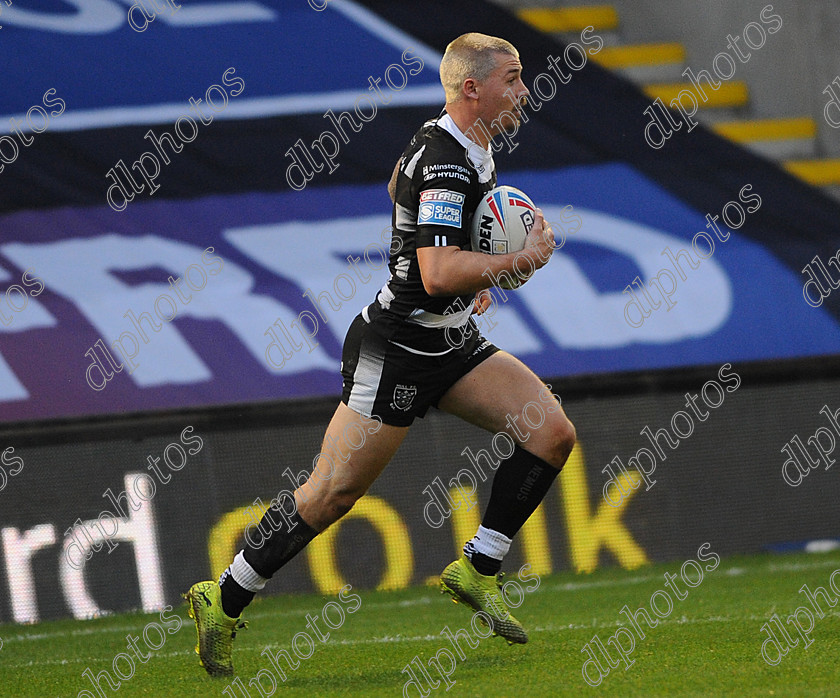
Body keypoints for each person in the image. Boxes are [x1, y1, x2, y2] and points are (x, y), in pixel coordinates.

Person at [185, 32, 576, 678]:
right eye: (513, 78)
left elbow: (400, 187)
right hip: (396, 349)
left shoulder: (465, 145)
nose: (525, 90)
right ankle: (223, 597)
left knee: (552, 433)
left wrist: (469, 280)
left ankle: (478, 567)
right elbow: (437, 268)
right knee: (331, 494)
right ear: (472, 89)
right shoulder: (447, 157)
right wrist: (510, 264)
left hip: (449, 341)